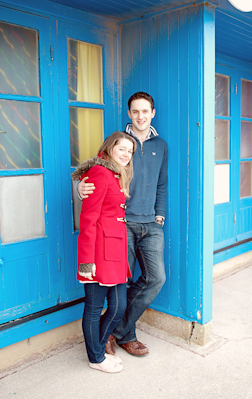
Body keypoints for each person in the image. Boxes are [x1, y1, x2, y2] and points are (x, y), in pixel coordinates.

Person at [78, 92, 168, 357]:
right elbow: (96, 168)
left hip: (150, 222)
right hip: (121, 224)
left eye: (145, 111)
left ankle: (114, 331)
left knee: (155, 278)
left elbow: (162, 182)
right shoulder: (118, 141)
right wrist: (81, 184)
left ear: (153, 113)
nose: (141, 116)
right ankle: (125, 336)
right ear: (129, 114)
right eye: (135, 111)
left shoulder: (160, 145)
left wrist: (159, 212)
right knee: (119, 284)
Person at [71, 131, 137, 373]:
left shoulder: (117, 173)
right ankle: (96, 357)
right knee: (94, 305)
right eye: (122, 149)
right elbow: (88, 219)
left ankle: (97, 349)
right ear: (110, 148)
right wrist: (87, 261)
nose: (126, 154)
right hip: (99, 250)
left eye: (130, 151)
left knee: (119, 305)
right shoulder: (100, 172)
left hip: (116, 248)